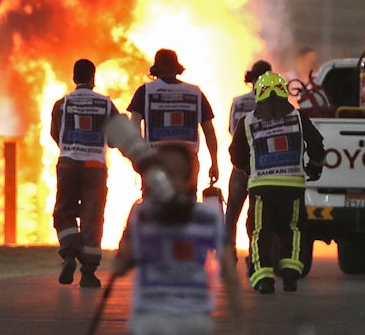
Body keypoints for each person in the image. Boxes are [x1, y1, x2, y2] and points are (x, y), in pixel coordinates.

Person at [113, 142, 246, 335]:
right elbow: (230, 275)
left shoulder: (142, 213)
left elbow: (121, 265)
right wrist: (240, 329)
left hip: (151, 319)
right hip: (194, 321)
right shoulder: (210, 216)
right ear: (190, 178)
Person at [229, 71, 326, 294]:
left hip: (261, 188)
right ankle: (290, 275)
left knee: (260, 230)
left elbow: (235, 156)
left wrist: (249, 169)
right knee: (293, 228)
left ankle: (263, 279)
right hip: (292, 185)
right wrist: (315, 167)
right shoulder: (298, 117)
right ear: (283, 92)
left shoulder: (247, 121)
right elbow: (317, 145)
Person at [49, 59, 118, 289]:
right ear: (93, 78)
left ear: (73, 78)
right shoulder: (106, 105)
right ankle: (88, 273)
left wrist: (71, 148)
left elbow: (55, 133)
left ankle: (69, 254)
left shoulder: (62, 104)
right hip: (95, 167)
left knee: (64, 211)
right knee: (92, 218)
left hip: (68, 164)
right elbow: (116, 139)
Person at [126, 49, 221, 188]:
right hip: (188, 161)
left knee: (154, 206)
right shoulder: (195, 92)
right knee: (186, 206)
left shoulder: (144, 91)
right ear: (177, 68)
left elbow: (133, 126)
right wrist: (214, 162)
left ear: (156, 69)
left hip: (155, 159)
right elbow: (209, 130)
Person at [225, 60, 271, 257]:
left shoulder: (239, 102)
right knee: (259, 215)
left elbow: (231, 130)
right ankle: (256, 255)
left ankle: (229, 254)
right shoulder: (275, 104)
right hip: (266, 165)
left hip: (241, 164)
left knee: (232, 213)